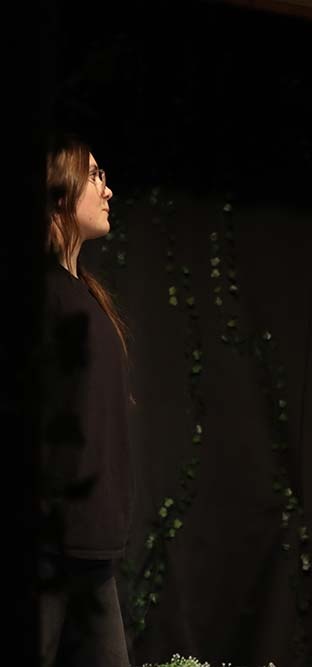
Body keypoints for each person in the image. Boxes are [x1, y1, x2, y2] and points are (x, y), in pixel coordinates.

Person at [38, 134, 133, 667]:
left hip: (91, 546)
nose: (107, 189)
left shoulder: (86, 294)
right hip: (49, 545)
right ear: (58, 191)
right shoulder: (43, 293)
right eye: (94, 175)